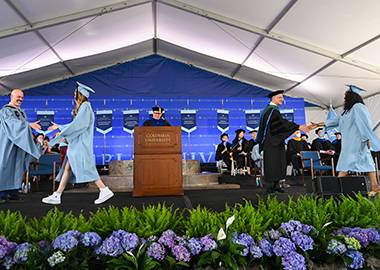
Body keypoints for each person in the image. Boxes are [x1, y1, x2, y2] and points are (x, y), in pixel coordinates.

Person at [42, 82, 114, 205]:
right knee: (68, 168)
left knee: (86, 167)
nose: (73, 94)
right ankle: (57, 195)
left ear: (79, 94)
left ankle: (104, 189)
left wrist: (60, 130)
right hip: (77, 143)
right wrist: (62, 130)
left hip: (81, 143)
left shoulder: (85, 106)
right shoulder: (83, 107)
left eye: (75, 92)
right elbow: (76, 125)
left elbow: (79, 125)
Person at [317, 85, 380, 194]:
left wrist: (368, 138)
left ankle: (336, 189)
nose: (345, 99)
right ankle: (375, 186)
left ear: (352, 97)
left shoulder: (359, 107)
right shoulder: (346, 112)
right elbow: (334, 121)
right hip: (349, 143)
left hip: (358, 141)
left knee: (351, 164)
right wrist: (316, 125)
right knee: (364, 163)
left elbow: (366, 123)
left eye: (346, 97)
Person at [256, 90, 310, 193]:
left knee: (278, 163)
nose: (282, 99)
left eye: (282, 97)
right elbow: (280, 125)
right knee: (273, 163)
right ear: (274, 98)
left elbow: (279, 125)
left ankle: (276, 185)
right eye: (280, 97)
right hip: (272, 142)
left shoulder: (270, 110)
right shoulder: (272, 110)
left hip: (275, 141)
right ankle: (270, 187)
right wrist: (297, 126)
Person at [0, 89, 43, 203]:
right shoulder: (5, 111)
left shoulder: (21, 112)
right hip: (7, 143)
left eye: (22, 97)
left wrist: (35, 135)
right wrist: (29, 125)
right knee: (5, 165)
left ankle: (13, 192)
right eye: (18, 96)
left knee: (17, 167)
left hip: (18, 144)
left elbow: (24, 130)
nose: (20, 99)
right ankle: (1, 193)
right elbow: (13, 124)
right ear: (11, 97)